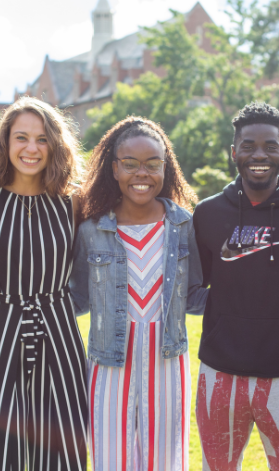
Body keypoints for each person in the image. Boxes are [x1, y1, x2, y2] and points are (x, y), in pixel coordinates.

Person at [193, 102, 279, 470]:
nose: (259, 154)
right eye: (248, 145)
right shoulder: (207, 214)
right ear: (233, 152)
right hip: (218, 375)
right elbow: (193, 286)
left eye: (270, 145)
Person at [70, 117, 208, 471]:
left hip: (167, 360)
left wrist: (252, 292)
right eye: (129, 164)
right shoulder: (91, 230)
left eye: (153, 163)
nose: (141, 173)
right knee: (109, 459)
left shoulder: (185, 225)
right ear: (114, 168)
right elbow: (77, 299)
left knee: (163, 461)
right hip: (107, 362)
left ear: (167, 167)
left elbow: (194, 297)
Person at [0, 97, 87, 471]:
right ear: (5, 142)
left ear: (55, 146)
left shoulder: (73, 204)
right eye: (21, 138)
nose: (31, 148)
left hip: (59, 330)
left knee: (62, 446)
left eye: (42, 139)